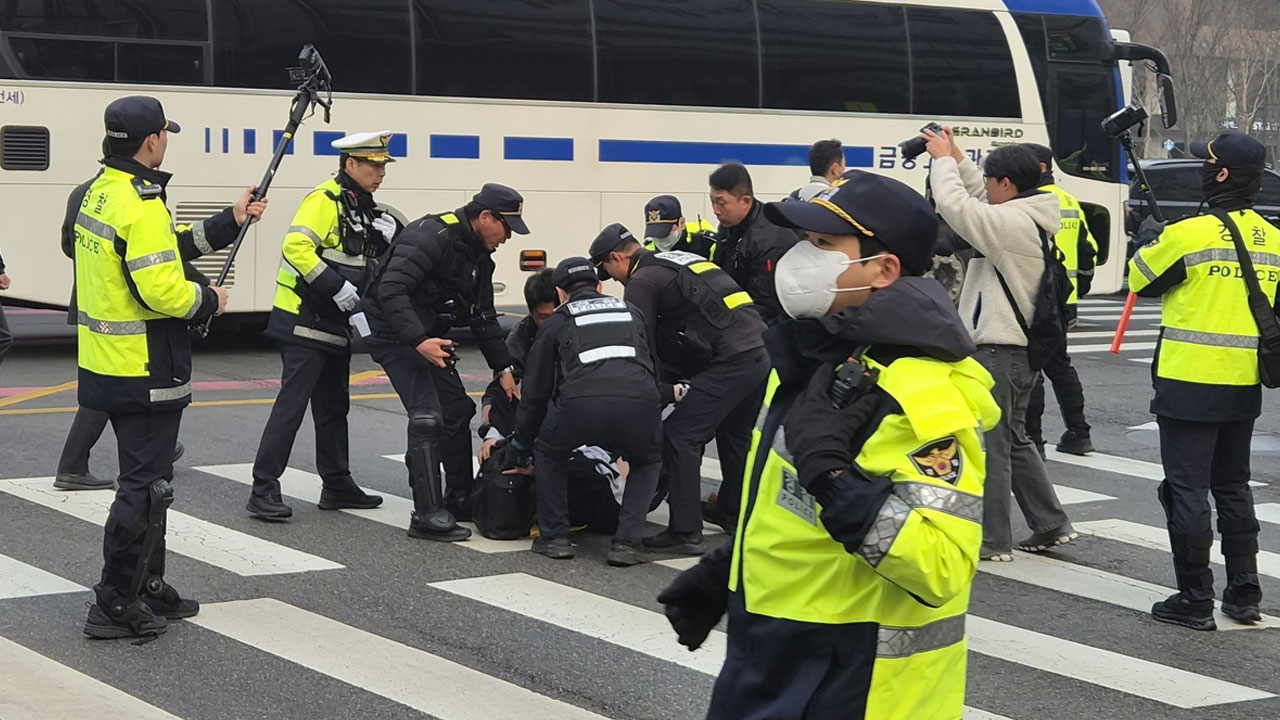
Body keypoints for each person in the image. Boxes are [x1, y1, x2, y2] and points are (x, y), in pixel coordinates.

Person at [658, 170, 999, 720]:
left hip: (855, 684)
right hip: (778, 660)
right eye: (805, 240)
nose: (800, 257)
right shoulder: (819, 357)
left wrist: (837, 481)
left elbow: (941, 565)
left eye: (824, 244)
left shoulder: (922, 391)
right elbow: (791, 503)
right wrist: (729, 569)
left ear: (884, 269)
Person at [76, 96, 266, 638]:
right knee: (144, 487)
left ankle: (146, 585)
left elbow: (167, 251)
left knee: (151, 482)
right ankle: (114, 602)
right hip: (145, 367)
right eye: (165, 133)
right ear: (152, 140)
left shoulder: (103, 189)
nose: (166, 141)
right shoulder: (141, 202)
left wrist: (230, 221)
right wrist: (208, 301)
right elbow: (160, 287)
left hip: (108, 363)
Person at [1128, 130, 1280, 630]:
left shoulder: (1189, 233)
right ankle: (1245, 593)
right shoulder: (1274, 239)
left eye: (1207, 163)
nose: (1202, 170)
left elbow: (1140, 280)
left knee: (1186, 489)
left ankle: (1194, 598)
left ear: (1221, 174)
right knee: (1233, 485)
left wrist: (1148, 237)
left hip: (1187, 381)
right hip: (1244, 382)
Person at [925, 128, 1076, 561]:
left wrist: (942, 161)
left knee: (993, 446)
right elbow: (979, 195)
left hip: (998, 350)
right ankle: (1050, 522)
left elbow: (957, 206)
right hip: (1016, 352)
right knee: (1014, 438)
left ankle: (994, 539)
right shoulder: (1027, 214)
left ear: (1007, 184)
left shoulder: (1010, 225)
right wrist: (956, 154)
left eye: (992, 180)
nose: (987, 187)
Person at [245, 131, 400, 521]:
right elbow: (295, 247)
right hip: (304, 318)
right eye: (374, 165)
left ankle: (337, 484)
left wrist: (387, 244)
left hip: (333, 320)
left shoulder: (362, 206)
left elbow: (359, 259)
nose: (381, 173)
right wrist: (336, 286)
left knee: (333, 407)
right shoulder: (324, 199)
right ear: (351, 164)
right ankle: (263, 488)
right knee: (292, 406)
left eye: (383, 166)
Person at [363, 183, 528, 541]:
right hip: (392, 332)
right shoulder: (430, 235)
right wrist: (418, 341)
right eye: (507, 228)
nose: (509, 238)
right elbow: (391, 289)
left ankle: (458, 497)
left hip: (427, 335)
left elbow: (483, 317)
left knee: (455, 409)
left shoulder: (479, 256)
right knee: (428, 416)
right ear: (485, 217)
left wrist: (504, 369)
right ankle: (426, 514)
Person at [591, 223, 768, 552]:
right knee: (734, 435)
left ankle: (685, 532)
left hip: (731, 359)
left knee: (680, 435)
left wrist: (642, 399)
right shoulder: (677, 259)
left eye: (609, 272)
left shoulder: (642, 280)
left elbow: (640, 344)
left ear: (617, 257)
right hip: (759, 350)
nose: (615, 280)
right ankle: (734, 510)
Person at [503, 257, 663, 566]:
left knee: (549, 455)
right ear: (599, 286)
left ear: (560, 292)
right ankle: (627, 542)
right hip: (639, 403)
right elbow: (652, 363)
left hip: (579, 407)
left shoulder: (558, 321)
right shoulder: (632, 311)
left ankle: (555, 538)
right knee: (647, 460)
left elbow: (535, 391)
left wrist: (520, 444)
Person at [53, 170, 186, 492]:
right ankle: (74, 464)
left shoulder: (84, 192)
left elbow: (69, 245)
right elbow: (158, 257)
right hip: (119, 311)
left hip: (93, 303)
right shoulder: (137, 197)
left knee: (105, 389)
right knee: (109, 392)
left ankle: (157, 450)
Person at [1024, 143, 1096, 458]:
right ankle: (1078, 431)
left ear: (1040, 168)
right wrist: (1077, 291)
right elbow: (1088, 250)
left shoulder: (1028, 201)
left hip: (1035, 296)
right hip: (1064, 299)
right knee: (1059, 365)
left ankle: (1033, 440)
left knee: (1031, 368)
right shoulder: (1068, 200)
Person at [708, 163, 798, 324]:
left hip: (763, 325)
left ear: (745, 201)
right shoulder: (728, 226)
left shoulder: (770, 241)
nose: (716, 210)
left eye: (721, 203)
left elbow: (766, 308)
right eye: (712, 201)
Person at [642, 195, 717, 257]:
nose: (660, 240)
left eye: (665, 232)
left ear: (682, 223)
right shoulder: (647, 253)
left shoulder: (707, 242)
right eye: (655, 234)